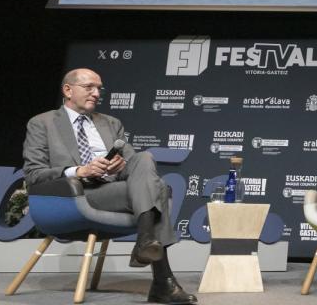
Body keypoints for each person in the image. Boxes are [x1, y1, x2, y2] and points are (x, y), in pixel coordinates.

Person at [22, 68, 196, 305]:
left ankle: (146, 241)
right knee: (159, 190)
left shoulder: (111, 123)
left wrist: (120, 165)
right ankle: (161, 278)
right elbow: (34, 174)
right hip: (76, 195)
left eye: (99, 89)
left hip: (112, 189)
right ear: (68, 90)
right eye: (89, 87)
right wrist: (79, 171)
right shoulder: (42, 123)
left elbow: (135, 168)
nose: (96, 93)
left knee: (144, 158)